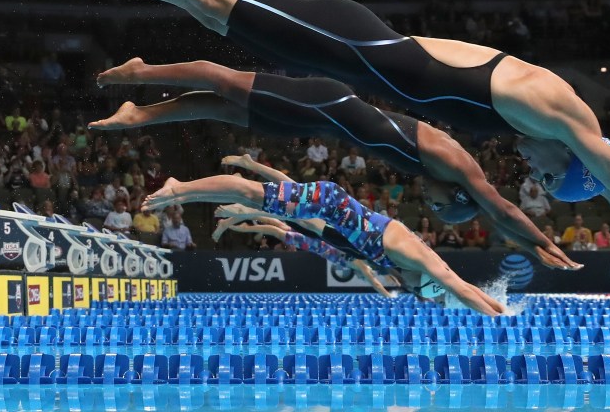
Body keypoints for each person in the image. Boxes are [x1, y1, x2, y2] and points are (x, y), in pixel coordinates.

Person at [1, 0, 610, 301]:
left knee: (208, 13)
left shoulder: (547, 124)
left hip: (345, 59)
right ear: (575, 165)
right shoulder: (556, 111)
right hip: (352, 44)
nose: (532, 167)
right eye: (551, 175)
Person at [88, 60, 575, 268]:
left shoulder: (442, 171)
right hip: (327, 105)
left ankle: (140, 113)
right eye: (443, 206)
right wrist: (541, 244)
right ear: (459, 195)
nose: (430, 200)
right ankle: (142, 73)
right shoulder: (460, 168)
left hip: (321, 118)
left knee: (221, 105)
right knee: (224, 83)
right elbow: (501, 211)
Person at [142, 172, 504, 315]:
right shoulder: (414, 256)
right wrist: (501, 319)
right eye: (412, 288)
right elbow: (456, 284)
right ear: (418, 277)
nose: (404, 288)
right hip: (329, 203)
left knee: (256, 201)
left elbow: (459, 288)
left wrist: (497, 303)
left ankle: (205, 197)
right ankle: (180, 188)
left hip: (329, 213)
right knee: (249, 191)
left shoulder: (403, 264)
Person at [215, 213, 396, 299]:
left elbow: (378, 277)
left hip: (311, 243)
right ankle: (240, 219)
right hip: (312, 241)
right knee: (276, 226)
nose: (363, 277)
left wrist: (393, 279)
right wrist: (388, 296)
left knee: (277, 225)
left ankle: (239, 220)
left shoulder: (359, 261)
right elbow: (376, 283)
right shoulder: (360, 264)